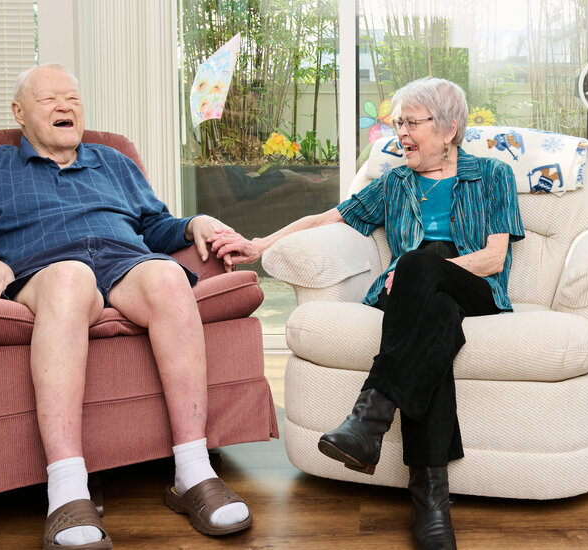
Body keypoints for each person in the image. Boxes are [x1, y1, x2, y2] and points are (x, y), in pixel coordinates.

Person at [0, 63, 257, 550]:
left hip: (122, 259)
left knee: (168, 277)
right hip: (43, 266)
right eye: (49, 99)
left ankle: (192, 471)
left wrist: (194, 223)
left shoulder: (113, 161)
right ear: (19, 112)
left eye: (73, 98)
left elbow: (154, 225)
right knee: (70, 279)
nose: (65, 106)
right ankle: (67, 489)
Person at [209, 76, 525, 550]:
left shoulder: (493, 174)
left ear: (448, 129)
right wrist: (260, 244)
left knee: (419, 265)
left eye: (412, 123)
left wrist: (426, 269)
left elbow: (494, 258)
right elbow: (326, 218)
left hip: (475, 287)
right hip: (416, 300)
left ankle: (368, 420)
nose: (402, 133)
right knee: (434, 315)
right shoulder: (395, 182)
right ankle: (430, 502)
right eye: (399, 123)